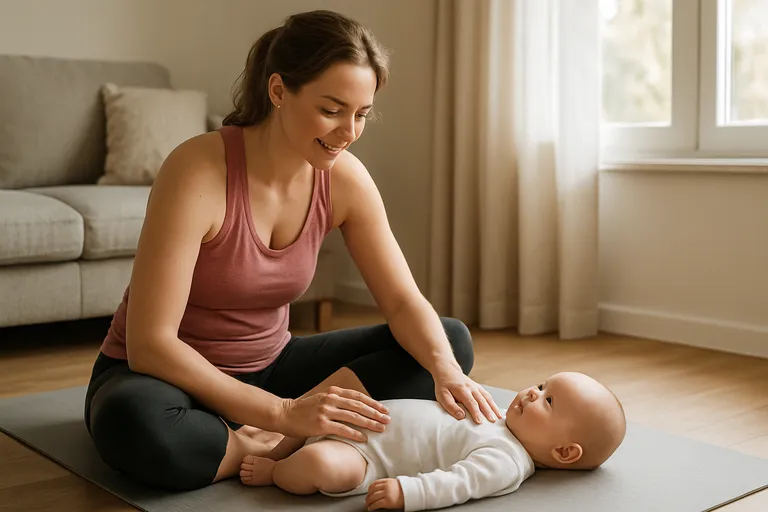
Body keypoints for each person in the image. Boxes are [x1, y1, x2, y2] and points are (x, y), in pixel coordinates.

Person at [83, 9, 502, 492]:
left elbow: (404, 302)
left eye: (361, 114)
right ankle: (274, 442)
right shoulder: (196, 170)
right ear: (279, 91)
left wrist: (446, 370)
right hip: (166, 380)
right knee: (133, 421)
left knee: (447, 342)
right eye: (332, 110)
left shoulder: (344, 179)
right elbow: (151, 345)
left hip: (272, 367)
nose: (349, 132)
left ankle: (250, 443)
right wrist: (284, 413)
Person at [239, 372, 627, 511]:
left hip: (366, 456)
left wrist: (408, 493)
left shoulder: (507, 459)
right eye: (541, 385)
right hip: (363, 418)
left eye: (548, 401)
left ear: (563, 452)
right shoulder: (500, 416)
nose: (531, 393)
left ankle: (277, 470)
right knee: (331, 403)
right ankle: (281, 438)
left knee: (322, 466)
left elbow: (460, 483)